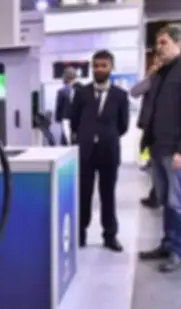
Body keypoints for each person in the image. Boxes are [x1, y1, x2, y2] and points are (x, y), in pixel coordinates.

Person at [137, 24, 181, 273]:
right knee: (166, 201)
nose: (158, 47)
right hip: (158, 148)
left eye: (164, 42)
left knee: (179, 202)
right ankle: (167, 243)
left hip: (176, 151)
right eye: (157, 42)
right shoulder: (161, 73)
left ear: (179, 43)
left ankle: (179, 250)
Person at [70, 50, 129, 252]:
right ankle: (80, 234)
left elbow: (123, 125)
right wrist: (86, 136)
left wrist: (106, 135)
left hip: (108, 152)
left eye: (104, 65)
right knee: (83, 194)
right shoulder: (81, 93)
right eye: (96, 65)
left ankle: (110, 236)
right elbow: (74, 122)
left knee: (108, 195)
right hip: (85, 152)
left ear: (111, 68)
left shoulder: (120, 96)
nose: (99, 69)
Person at [131, 56, 164, 210]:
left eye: (158, 63)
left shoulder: (155, 79)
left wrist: (149, 76)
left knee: (156, 160)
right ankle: (156, 194)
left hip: (155, 127)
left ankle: (157, 195)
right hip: (153, 126)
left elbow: (134, 91)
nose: (155, 65)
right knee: (147, 152)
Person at [55, 67, 82, 145]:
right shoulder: (83, 89)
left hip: (66, 121)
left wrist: (58, 119)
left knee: (66, 143)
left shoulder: (62, 91)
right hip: (79, 122)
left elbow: (59, 107)